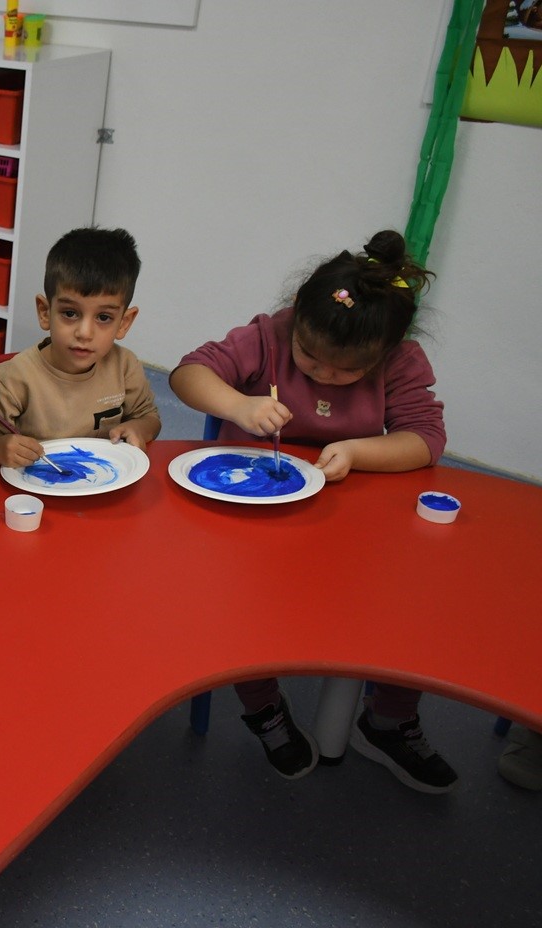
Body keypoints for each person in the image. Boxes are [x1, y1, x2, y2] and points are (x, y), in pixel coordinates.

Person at [170, 229, 455, 792]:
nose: (323, 375)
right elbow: (187, 374)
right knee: (240, 601)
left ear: (384, 354)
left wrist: (356, 452)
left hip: (344, 516)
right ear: (296, 316)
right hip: (251, 513)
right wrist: (238, 404)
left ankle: (388, 719)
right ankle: (264, 707)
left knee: (409, 595)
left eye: (346, 371)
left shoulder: (400, 359)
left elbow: (425, 439)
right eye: (310, 358)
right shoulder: (270, 336)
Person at [0, 226, 160, 465]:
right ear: (45, 312)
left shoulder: (125, 367)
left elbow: (149, 418)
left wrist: (139, 427)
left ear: (124, 323)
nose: (84, 333)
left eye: (103, 317)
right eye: (70, 313)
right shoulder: (13, 379)